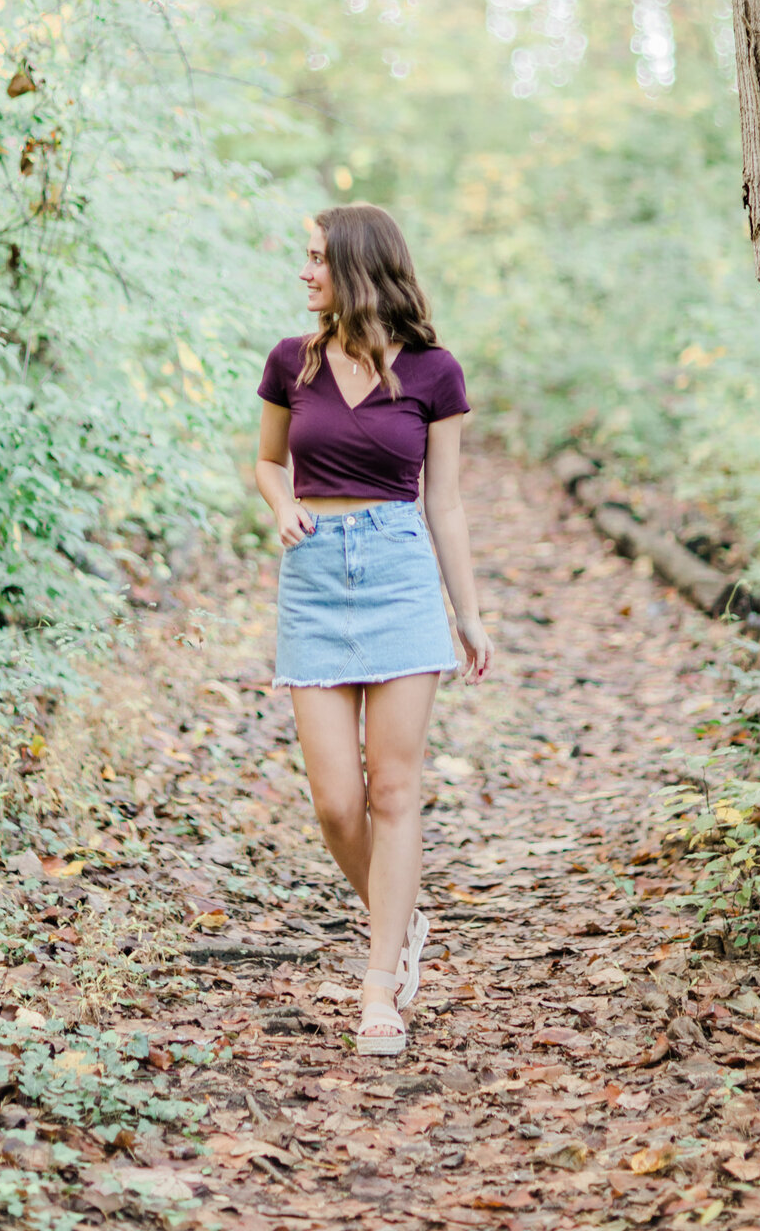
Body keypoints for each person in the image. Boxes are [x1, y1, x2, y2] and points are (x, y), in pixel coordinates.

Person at [255, 203, 492, 1057]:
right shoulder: (293, 361)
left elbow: (447, 502)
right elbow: (268, 460)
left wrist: (467, 616)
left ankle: (380, 986)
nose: (306, 272)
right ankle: (400, 916)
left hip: (397, 577)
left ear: (357, 266)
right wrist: (282, 505)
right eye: (305, 257)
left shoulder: (435, 373)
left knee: (394, 792)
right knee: (335, 801)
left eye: (317, 258)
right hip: (314, 578)